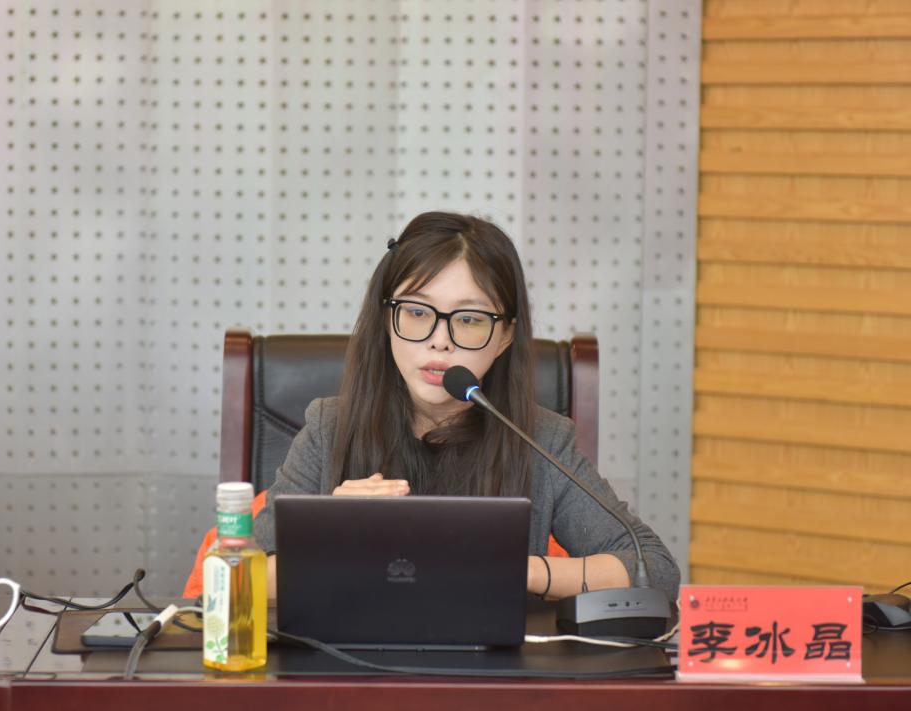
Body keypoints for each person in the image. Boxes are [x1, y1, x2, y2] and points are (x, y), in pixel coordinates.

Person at [184, 211, 680, 602]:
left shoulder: (541, 440)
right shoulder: (329, 428)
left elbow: (653, 570)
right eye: (418, 312)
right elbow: (231, 579)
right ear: (386, 318)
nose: (439, 341)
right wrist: (329, 532)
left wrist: (515, 570)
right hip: (346, 674)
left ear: (506, 335)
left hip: (492, 679)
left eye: (469, 319)